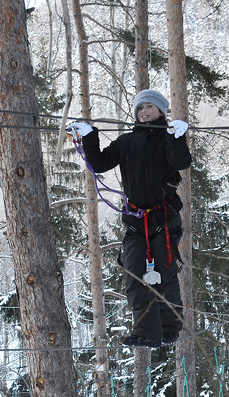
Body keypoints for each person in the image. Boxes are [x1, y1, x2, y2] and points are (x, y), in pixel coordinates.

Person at [67, 89, 192, 347]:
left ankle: (169, 329)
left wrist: (177, 138)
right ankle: (147, 331)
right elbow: (100, 163)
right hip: (136, 222)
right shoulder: (126, 142)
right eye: (140, 108)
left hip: (163, 219)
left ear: (160, 112)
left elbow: (181, 162)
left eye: (150, 107)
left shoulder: (167, 140)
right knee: (135, 275)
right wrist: (90, 138)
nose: (144, 111)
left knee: (165, 275)